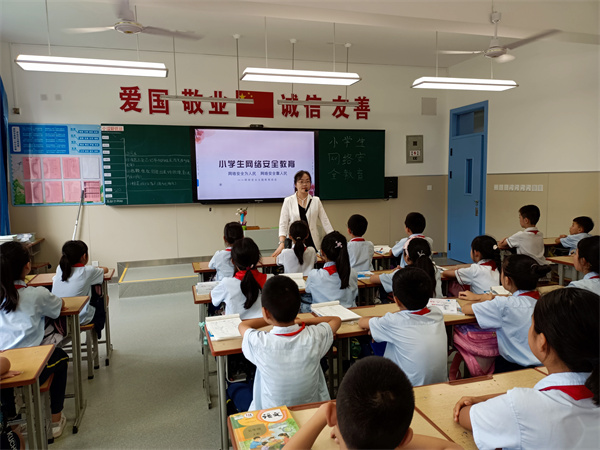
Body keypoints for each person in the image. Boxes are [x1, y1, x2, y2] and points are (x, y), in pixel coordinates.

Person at [453, 288, 599, 449]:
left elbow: (467, 416)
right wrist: (486, 398)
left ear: (542, 342)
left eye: (532, 324)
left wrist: (474, 403)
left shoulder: (523, 407)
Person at [285, 357, 462, 450]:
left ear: (332, 417)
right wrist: (391, 440)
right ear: (405, 438)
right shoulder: (402, 439)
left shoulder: (331, 415)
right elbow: (453, 447)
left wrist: (325, 412)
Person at [239, 276, 341, 410]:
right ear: (298, 308)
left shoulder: (260, 341)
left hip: (273, 415)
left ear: (265, 312)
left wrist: (271, 316)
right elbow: (336, 320)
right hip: (312, 412)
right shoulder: (314, 336)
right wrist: (301, 321)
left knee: (237, 388)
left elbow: (243, 325)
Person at [0, 242, 69, 438]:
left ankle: (13, 426)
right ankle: (55, 420)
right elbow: (59, 306)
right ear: (27, 266)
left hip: (3, 361)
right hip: (33, 362)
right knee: (61, 359)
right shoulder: (37, 294)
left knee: (6, 385)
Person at [460, 254, 551, 372]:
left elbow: (466, 309)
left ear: (507, 280)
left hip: (511, 367)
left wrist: (483, 299)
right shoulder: (546, 302)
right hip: (544, 366)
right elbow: (519, 299)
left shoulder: (502, 305)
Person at [358, 267, 448, 386]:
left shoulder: (393, 321)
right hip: (440, 386)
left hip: (405, 391)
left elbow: (362, 322)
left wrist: (380, 324)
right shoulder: (437, 313)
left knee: (374, 340)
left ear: (396, 300)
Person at [272, 170, 333, 257]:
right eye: (301, 182)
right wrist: (282, 243)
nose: (305, 184)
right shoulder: (288, 201)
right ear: (295, 184)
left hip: (313, 242)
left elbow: (325, 221)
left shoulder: (316, 201)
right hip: (295, 243)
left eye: (307, 181)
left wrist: (333, 237)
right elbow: (283, 224)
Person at [51, 240, 108, 334]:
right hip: (80, 317)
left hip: (58, 318)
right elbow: (105, 270)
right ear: (84, 256)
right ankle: (93, 335)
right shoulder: (88, 271)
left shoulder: (60, 269)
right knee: (104, 298)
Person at [211, 238, 271, 320]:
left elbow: (214, 301)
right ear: (258, 259)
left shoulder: (227, 284)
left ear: (233, 261)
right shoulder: (271, 280)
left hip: (235, 327)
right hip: (264, 326)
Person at [372, 238, 443, 299]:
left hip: (412, 308)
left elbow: (373, 279)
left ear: (407, 258)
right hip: (437, 306)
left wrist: (395, 272)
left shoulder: (402, 274)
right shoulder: (435, 270)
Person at [305, 231, 358, 309]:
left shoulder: (314, 275)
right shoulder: (352, 273)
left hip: (322, 315)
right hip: (348, 314)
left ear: (322, 252)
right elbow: (354, 294)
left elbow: (307, 290)